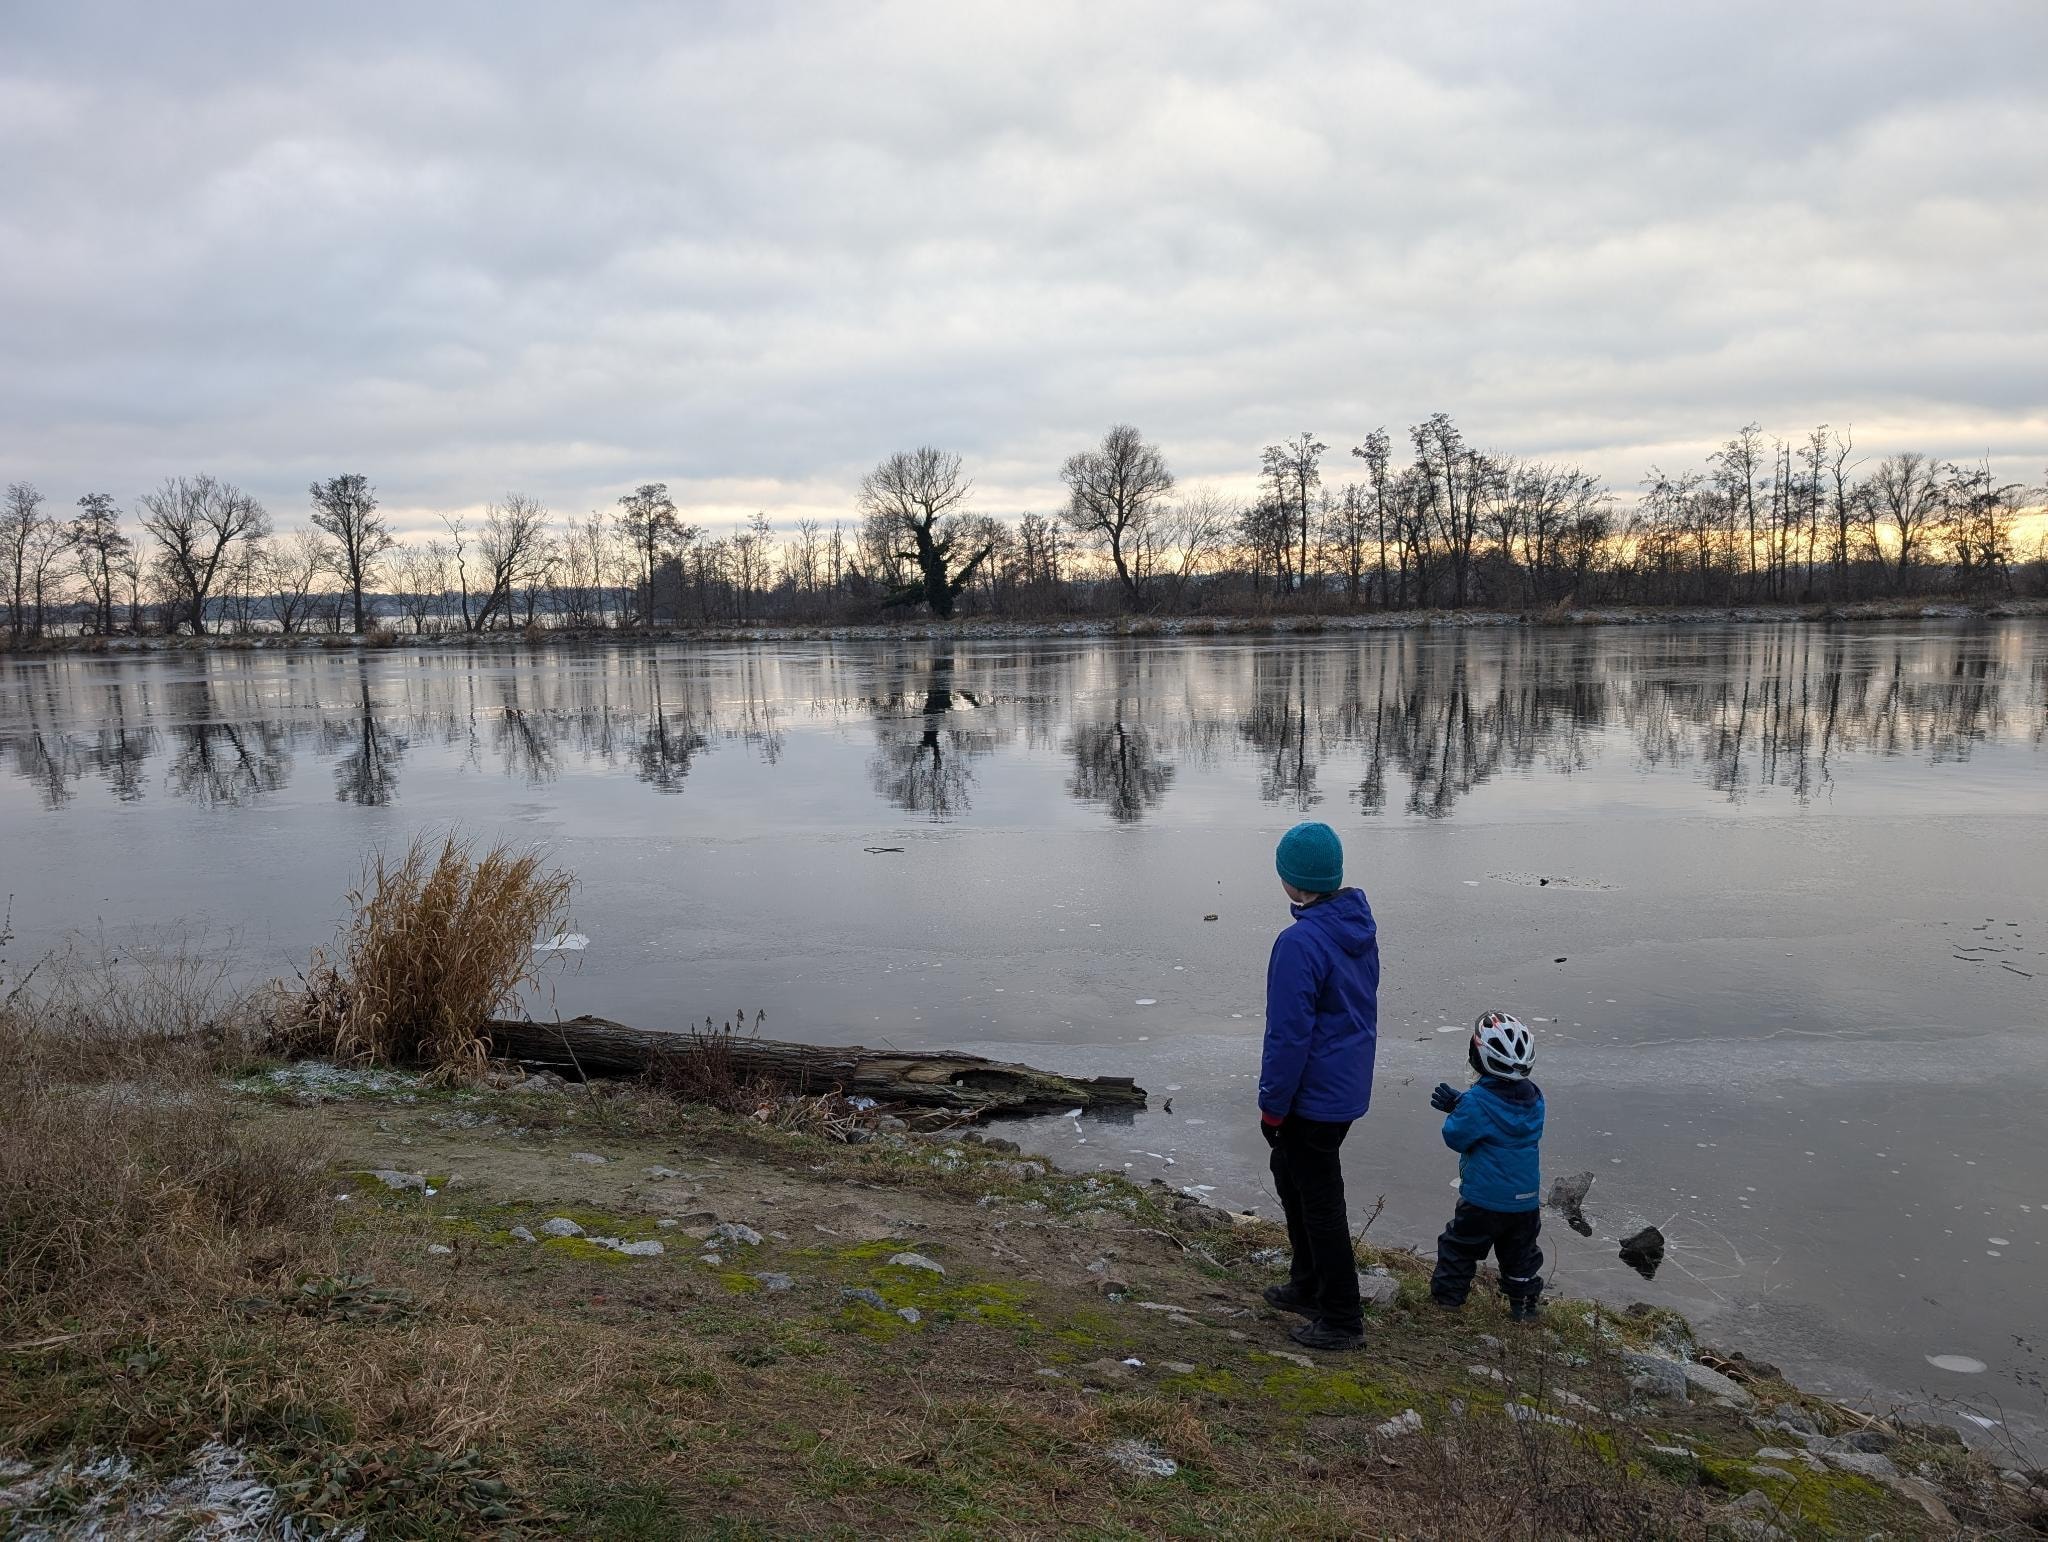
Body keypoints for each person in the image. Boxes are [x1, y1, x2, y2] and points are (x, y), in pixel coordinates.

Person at [1257, 820, 1379, 1352]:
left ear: (1293, 879)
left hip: (1313, 1095)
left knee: (1320, 1198)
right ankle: (1307, 1282)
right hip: (1343, 1088)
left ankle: (1341, 1317)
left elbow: (1288, 1036)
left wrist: (1272, 1107)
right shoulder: (1355, 927)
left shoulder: (1300, 942)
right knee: (1291, 1175)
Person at [1429, 1011, 1545, 1320]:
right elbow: (1506, 1123)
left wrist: (1458, 1108)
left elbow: (1455, 1137)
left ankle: (1447, 1302)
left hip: (1483, 1200)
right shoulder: (1535, 1098)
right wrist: (1464, 1105)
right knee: (1521, 1254)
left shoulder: (1476, 1101)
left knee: (1459, 1247)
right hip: (1525, 1200)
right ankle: (1524, 1309)